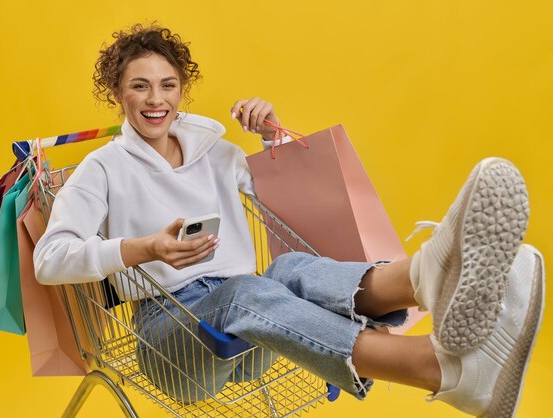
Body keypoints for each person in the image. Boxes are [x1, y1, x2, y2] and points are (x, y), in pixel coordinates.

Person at [33, 23, 545, 417]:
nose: (155, 99)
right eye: (139, 87)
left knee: (289, 269)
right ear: (118, 94)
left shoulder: (216, 153)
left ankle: (428, 278)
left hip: (256, 331)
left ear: (182, 90)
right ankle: (432, 366)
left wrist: (272, 136)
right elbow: (49, 259)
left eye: (167, 85)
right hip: (174, 343)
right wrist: (142, 249)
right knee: (248, 292)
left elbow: (294, 196)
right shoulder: (102, 168)